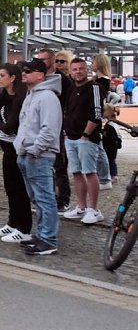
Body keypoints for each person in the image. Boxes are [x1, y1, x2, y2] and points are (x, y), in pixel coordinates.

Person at [13, 58, 62, 255]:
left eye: (29, 70)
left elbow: (49, 129)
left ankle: (48, 239)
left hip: (39, 155)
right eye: (24, 70)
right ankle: (43, 235)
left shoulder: (47, 97)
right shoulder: (32, 95)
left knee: (44, 198)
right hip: (28, 153)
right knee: (37, 198)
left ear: (40, 75)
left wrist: (35, 150)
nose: (24, 73)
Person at [0, 63, 32, 243]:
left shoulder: (20, 98)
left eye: (2, 75)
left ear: (13, 78)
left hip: (17, 147)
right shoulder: (5, 95)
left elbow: (10, 126)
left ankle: (24, 228)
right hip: (7, 145)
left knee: (19, 188)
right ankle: (13, 222)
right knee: (10, 186)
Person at [62, 58, 105, 225]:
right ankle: (81, 206)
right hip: (71, 138)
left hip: (86, 138)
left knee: (90, 172)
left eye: (81, 68)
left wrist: (86, 135)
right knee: (76, 172)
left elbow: (97, 113)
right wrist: (66, 132)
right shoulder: (71, 89)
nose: (78, 72)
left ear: (86, 70)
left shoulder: (94, 87)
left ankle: (93, 210)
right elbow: (67, 110)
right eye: (74, 69)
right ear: (70, 72)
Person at [40, 48, 73, 212]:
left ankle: (63, 199)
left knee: (59, 163)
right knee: (43, 162)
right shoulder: (39, 77)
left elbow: (68, 103)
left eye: (44, 59)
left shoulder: (63, 80)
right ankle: (47, 196)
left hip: (58, 125)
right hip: (42, 124)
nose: (41, 63)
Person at [91, 53, 114, 190]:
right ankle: (103, 177)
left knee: (99, 149)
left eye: (93, 62)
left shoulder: (102, 81)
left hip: (96, 116)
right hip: (96, 115)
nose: (91, 65)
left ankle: (105, 178)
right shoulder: (98, 80)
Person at [101, 103, 121, 185]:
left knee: (110, 160)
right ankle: (113, 175)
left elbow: (111, 136)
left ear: (107, 112)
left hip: (110, 146)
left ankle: (114, 176)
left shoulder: (110, 125)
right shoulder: (113, 123)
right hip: (113, 145)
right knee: (111, 160)